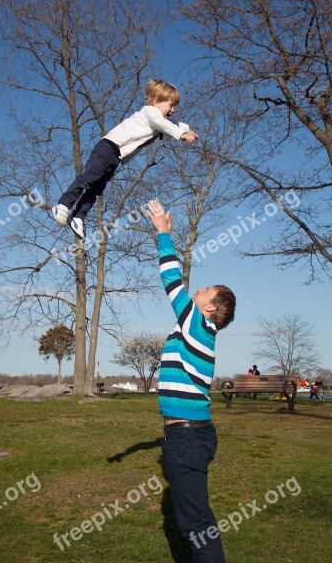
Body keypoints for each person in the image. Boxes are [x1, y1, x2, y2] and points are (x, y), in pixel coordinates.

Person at [147, 200, 236, 563]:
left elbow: (171, 280)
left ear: (210, 308)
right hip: (186, 435)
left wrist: (163, 234)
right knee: (193, 520)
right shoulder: (193, 328)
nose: (196, 291)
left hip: (187, 437)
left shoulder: (198, 323)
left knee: (196, 523)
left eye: (205, 292)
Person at [52, 80, 198, 239]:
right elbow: (163, 123)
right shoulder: (150, 111)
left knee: (96, 188)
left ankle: (79, 216)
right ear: (156, 101)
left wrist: (187, 129)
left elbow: (171, 123)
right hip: (108, 148)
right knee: (89, 178)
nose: (173, 110)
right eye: (171, 105)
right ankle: (63, 205)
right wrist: (181, 134)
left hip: (116, 157)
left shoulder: (159, 118)